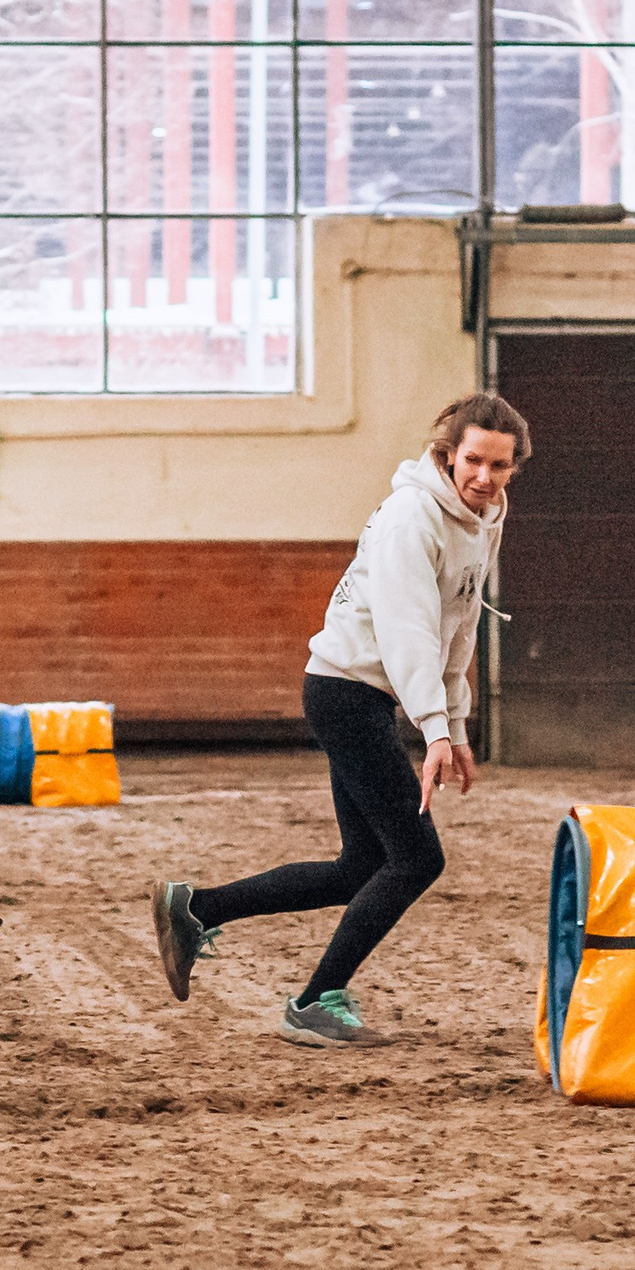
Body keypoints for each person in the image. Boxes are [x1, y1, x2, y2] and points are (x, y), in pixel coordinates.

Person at [151, 394, 529, 1046]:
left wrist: (458, 725)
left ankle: (198, 907)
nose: (484, 478)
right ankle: (315, 1001)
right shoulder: (414, 518)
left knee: (362, 864)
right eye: (473, 461)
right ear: (448, 453)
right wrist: (434, 729)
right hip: (345, 691)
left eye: (499, 465)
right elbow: (408, 628)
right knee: (416, 859)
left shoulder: (485, 516)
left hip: (364, 696)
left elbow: (460, 621)